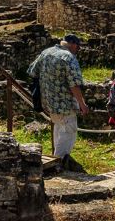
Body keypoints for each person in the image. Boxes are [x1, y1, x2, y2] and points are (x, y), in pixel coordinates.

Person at [27, 34, 89, 172]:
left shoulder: (46, 52)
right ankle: (56, 164)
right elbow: (74, 85)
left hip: (48, 103)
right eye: (78, 46)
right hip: (65, 104)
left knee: (58, 128)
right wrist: (82, 104)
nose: (78, 50)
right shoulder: (69, 58)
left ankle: (55, 160)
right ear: (72, 44)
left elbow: (32, 71)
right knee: (68, 132)